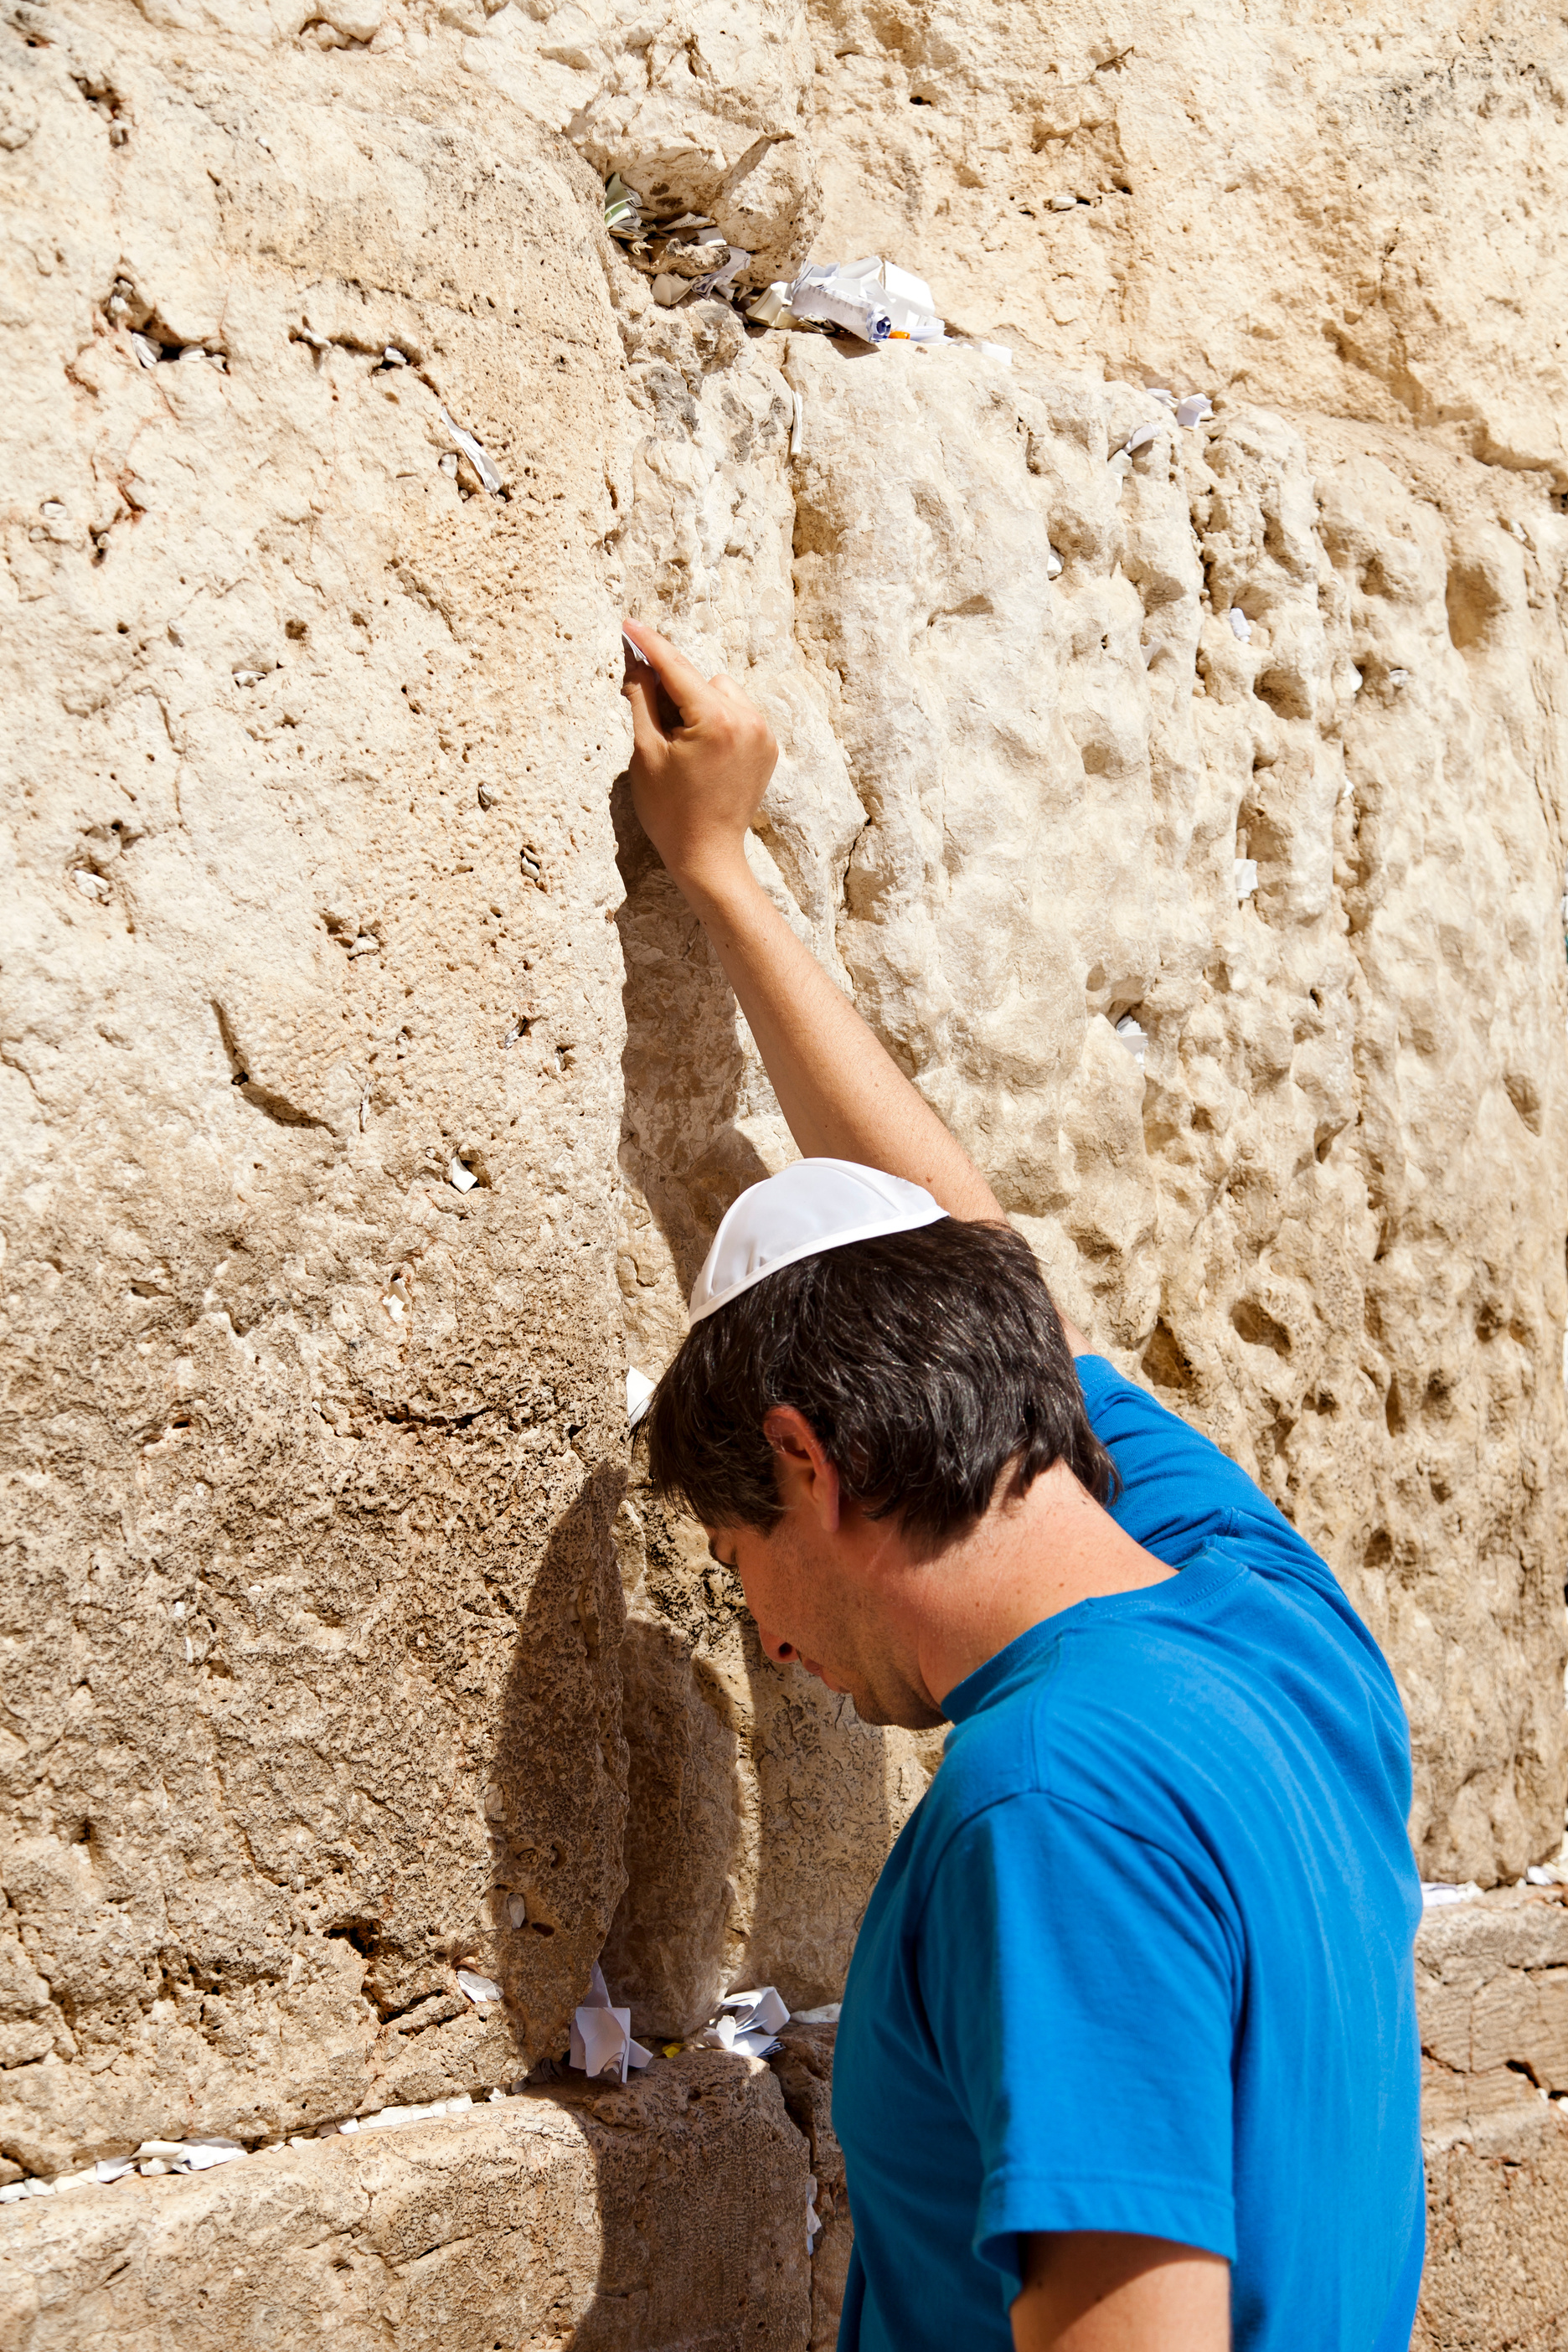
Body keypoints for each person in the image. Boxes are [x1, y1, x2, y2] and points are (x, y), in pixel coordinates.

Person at [619, 619, 1425, 2352]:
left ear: (800, 1461)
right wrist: (725, 872)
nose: (764, 1649)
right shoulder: (1275, 1627)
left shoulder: (1047, 1808)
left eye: (734, 1563)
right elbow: (973, 1256)